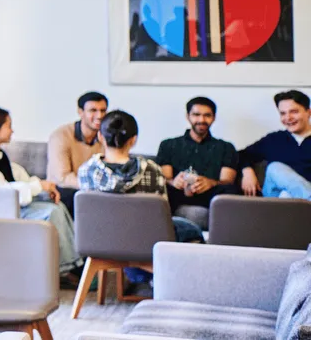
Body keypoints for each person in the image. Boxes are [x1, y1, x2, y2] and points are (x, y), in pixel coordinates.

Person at [77, 110, 204, 296]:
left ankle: (140, 278)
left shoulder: (85, 171)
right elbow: (162, 217)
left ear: (100, 137)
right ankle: (166, 283)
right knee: (193, 230)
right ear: (133, 139)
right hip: (144, 243)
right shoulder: (153, 170)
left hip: (100, 241)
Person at [0, 107, 81, 277]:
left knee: (57, 206)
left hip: (7, 206)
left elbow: (17, 180)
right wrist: (39, 186)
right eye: (9, 126)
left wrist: (44, 187)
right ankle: (66, 268)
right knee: (52, 212)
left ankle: (74, 262)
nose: (12, 130)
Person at [154, 96, 240, 227]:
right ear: (188, 116)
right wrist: (174, 182)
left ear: (214, 117)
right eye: (196, 115)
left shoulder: (225, 147)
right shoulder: (169, 145)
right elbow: (165, 178)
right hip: (178, 195)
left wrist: (210, 183)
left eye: (207, 115)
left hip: (210, 197)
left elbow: (227, 180)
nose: (201, 120)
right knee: (162, 188)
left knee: (230, 190)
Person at [239, 90, 311, 199]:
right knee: (274, 168)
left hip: (293, 202)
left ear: (308, 113)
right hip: (274, 197)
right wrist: (247, 171)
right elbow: (241, 155)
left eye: (294, 112)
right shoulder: (273, 139)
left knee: (286, 195)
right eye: (283, 113)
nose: (288, 118)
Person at [48, 91, 108, 213]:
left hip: (93, 191)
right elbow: (63, 178)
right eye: (93, 110)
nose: (99, 115)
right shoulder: (61, 136)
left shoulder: (106, 136)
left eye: (103, 110)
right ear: (80, 112)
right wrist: (93, 187)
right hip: (64, 191)